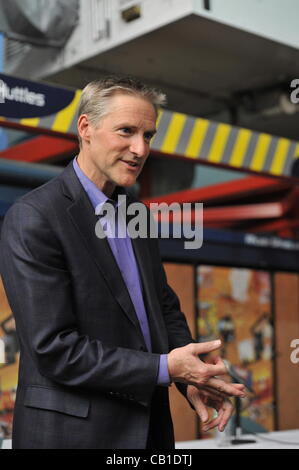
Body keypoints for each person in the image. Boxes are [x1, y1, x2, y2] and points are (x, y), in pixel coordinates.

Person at [0, 76, 245, 449]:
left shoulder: (135, 213)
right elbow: (55, 349)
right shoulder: (34, 216)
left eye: (148, 135)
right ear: (86, 128)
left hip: (147, 431)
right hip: (73, 435)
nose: (140, 148)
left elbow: (162, 309)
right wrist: (166, 368)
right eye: (127, 131)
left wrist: (192, 377)